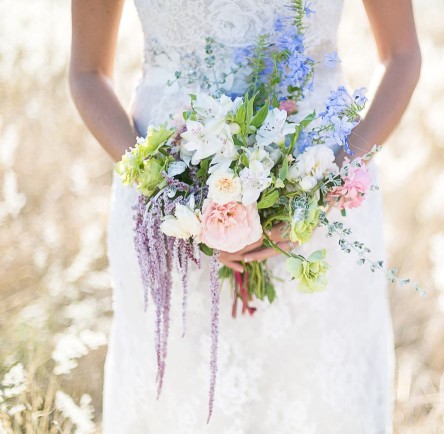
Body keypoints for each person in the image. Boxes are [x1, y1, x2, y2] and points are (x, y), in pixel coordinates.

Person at [69, 0, 420, 432]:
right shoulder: (167, 199)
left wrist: (324, 185)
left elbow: (402, 55)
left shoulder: (323, 192)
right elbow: (87, 74)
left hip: (320, 209)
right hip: (169, 218)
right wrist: (170, 193)